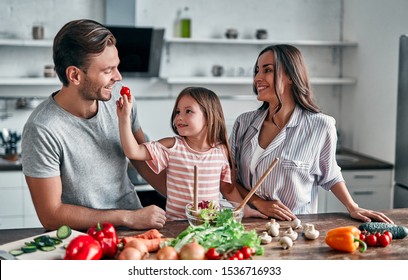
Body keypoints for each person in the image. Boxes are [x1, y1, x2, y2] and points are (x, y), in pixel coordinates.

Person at [21, 19, 167, 231]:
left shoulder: (118, 97)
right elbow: (51, 215)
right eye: (108, 70)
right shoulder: (42, 129)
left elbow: (141, 158)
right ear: (75, 75)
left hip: (135, 228)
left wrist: (183, 197)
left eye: (117, 67)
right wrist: (126, 217)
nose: (118, 77)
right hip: (84, 238)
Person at [230, 44, 393, 223]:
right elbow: (229, 176)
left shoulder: (321, 126)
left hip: (294, 228)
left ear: (291, 76)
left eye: (267, 70)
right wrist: (258, 202)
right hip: (247, 223)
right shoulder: (243, 123)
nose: (257, 78)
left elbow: (330, 174)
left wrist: (352, 207)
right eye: (257, 71)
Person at [117, 86, 266, 220]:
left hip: (209, 224)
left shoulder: (221, 151)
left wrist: (244, 209)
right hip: (176, 225)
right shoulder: (172, 146)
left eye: (188, 111)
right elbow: (133, 151)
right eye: (177, 112)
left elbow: (228, 189)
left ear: (209, 117)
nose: (179, 117)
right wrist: (124, 118)